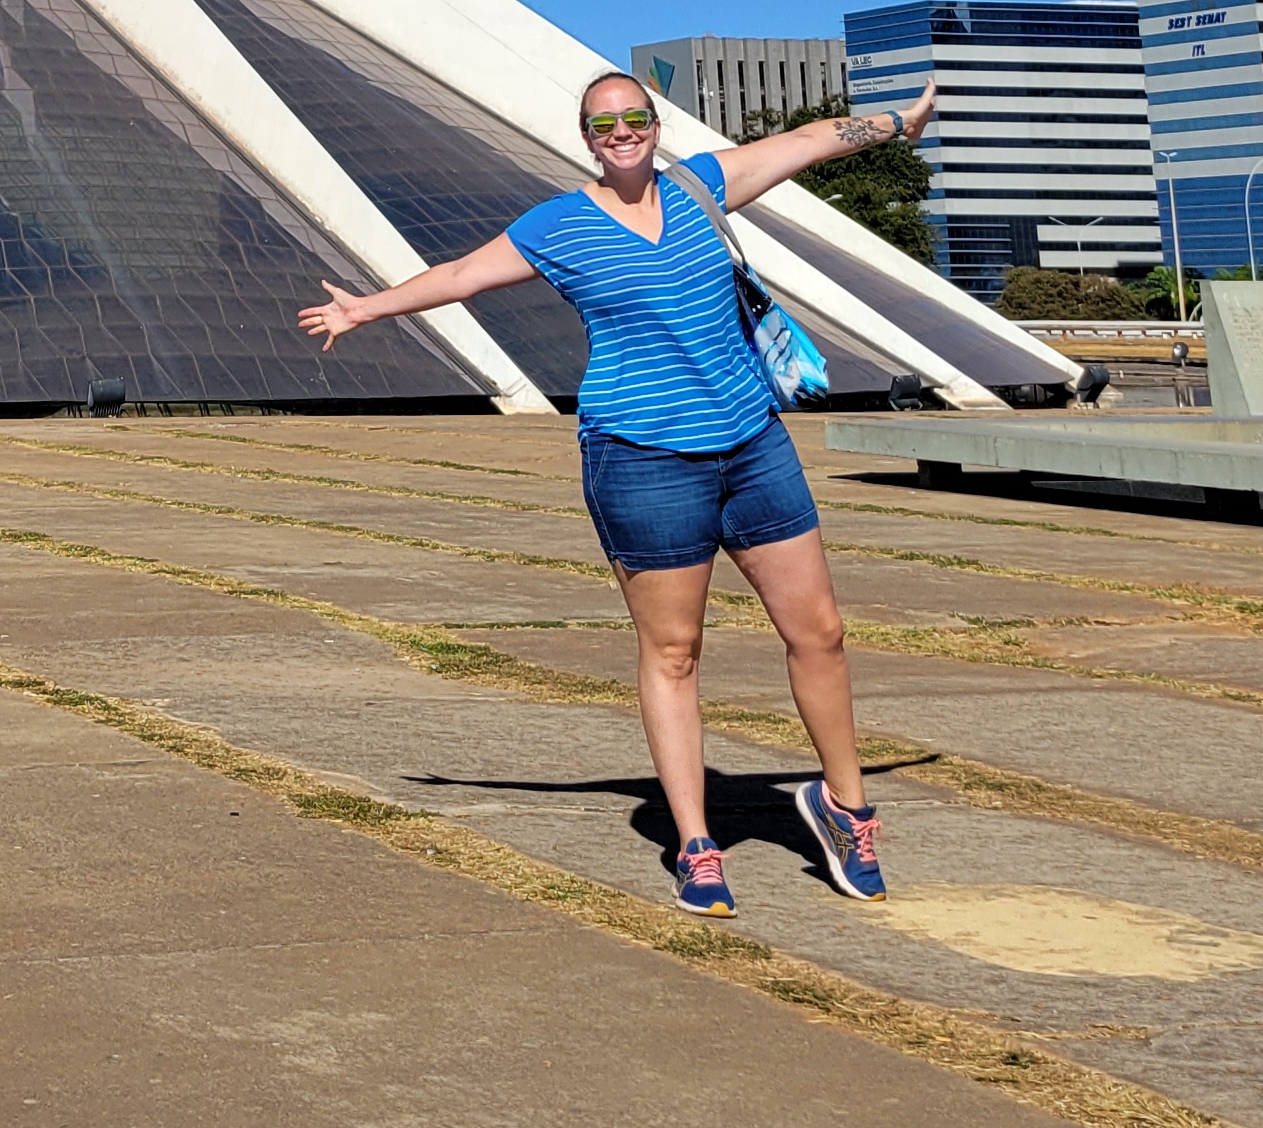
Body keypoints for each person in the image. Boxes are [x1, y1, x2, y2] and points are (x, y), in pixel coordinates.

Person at [298, 70, 938, 916]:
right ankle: (698, 845)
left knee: (819, 632)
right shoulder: (558, 226)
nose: (622, 133)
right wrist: (366, 310)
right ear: (586, 136)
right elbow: (462, 274)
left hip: (752, 446)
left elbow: (807, 142)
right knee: (674, 653)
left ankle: (844, 806)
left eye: (635, 118)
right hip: (642, 461)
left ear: (656, 125)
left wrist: (897, 121)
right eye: (604, 124)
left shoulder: (703, 186)